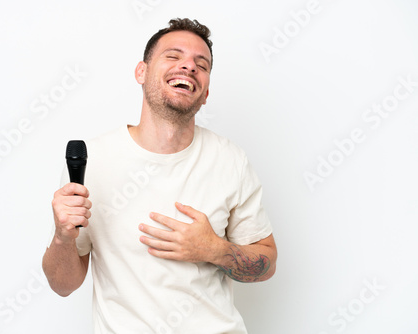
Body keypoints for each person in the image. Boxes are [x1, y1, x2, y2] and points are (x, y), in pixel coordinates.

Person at [42, 18, 277, 334]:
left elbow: (267, 264)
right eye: (173, 55)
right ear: (141, 72)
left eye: (201, 64)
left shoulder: (230, 159)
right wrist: (62, 235)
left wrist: (214, 249)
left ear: (206, 91)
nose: (189, 67)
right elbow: (63, 284)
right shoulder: (92, 161)